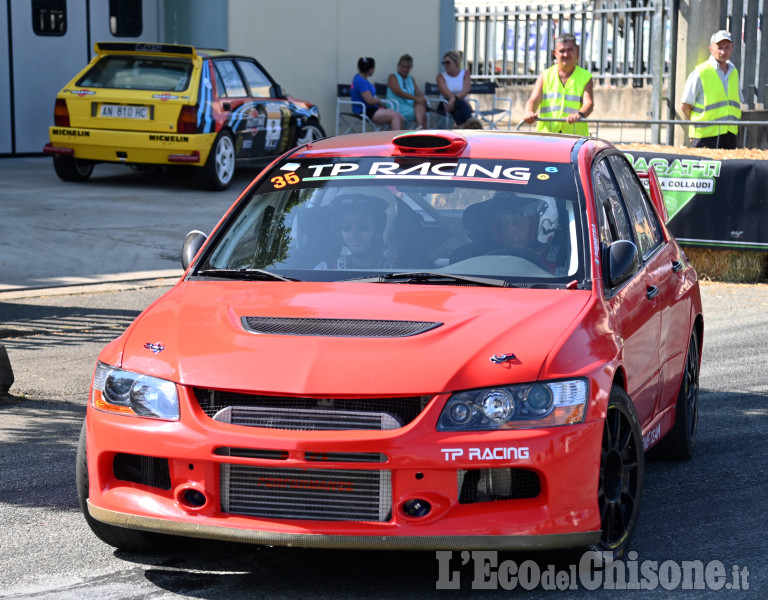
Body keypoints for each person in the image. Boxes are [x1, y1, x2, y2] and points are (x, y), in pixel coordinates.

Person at [451, 193, 564, 274]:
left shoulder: (570, 259)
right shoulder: (475, 257)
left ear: (542, 223)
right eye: (502, 223)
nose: (508, 231)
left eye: (517, 222)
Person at [680, 30, 743, 149]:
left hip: (729, 135)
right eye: (719, 47)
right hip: (705, 137)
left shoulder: (734, 72)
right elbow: (685, 106)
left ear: (732, 48)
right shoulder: (700, 72)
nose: (723, 51)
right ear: (711, 49)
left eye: (727, 47)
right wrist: (694, 128)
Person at [522, 33, 594, 135]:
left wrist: (579, 114)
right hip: (547, 136)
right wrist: (528, 112)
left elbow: (589, 103)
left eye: (569, 50)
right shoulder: (545, 75)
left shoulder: (586, 76)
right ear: (555, 53)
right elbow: (534, 99)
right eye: (562, 51)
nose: (566, 54)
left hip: (575, 136)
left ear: (577, 50)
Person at [333, 195, 396, 269]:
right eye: (346, 224)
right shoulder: (325, 269)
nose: (353, 233)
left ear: (378, 230)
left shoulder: (400, 271)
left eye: (363, 224)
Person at [350, 57, 404, 130]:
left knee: (400, 117)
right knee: (395, 117)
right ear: (371, 69)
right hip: (364, 110)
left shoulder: (361, 79)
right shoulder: (360, 81)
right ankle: (397, 140)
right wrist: (379, 101)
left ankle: (401, 138)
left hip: (371, 109)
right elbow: (370, 101)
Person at [386, 54, 427, 129]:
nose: (405, 69)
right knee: (422, 112)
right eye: (403, 67)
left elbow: (418, 92)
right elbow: (398, 92)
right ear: (398, 66)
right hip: (397, 107)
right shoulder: (392, 77)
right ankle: (422, 131)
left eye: (407, 67)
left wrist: (422, 99)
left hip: (410, 107)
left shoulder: (411, 78)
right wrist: (415, 98)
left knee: (421, 105)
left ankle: (420, 127)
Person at [436, 50, 473, 126]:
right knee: (460, 103)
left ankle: (463, 130)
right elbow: (446, 93)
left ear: (456, 63)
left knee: (458, 113)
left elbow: (465, 90)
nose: (445, 65)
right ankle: (472, 126)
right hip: (446, 104)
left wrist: (453, 99)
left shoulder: (465, 74)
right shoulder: (440, 77)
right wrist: (454, 99)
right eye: (444, 63)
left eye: (448, 62)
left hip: (458, 104)